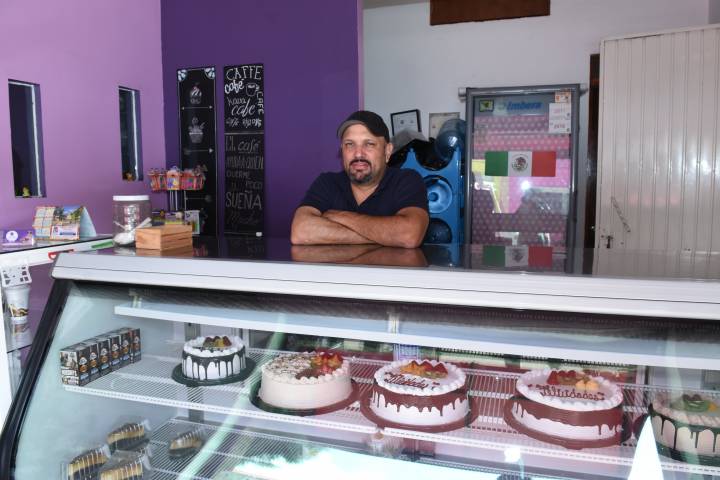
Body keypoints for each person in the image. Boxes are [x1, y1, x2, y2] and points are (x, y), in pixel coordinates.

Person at [291, 110, 429, 248]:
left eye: (369, 144)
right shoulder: (327, 183)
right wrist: (385, 236)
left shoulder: (406, 181)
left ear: (387, 151)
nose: (358, 154)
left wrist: (341, 217)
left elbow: (409, 235)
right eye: (349, 144)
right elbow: (300, 232)